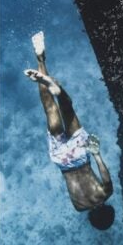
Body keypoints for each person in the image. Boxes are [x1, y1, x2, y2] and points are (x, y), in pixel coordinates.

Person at [24, 31, 115, 230]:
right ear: (92, 218)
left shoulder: (106, 193)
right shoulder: (79, 207)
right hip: (62, 160)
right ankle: (40, 64)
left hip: (81, 156)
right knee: (49, 109)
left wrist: (96, 153)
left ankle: (52, 81)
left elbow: (103, 172)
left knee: (67, 108)